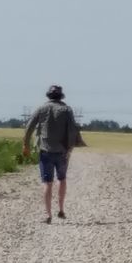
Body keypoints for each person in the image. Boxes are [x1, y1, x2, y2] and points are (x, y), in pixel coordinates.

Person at [22, 84, 82, 224]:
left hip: (45, 151)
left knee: (47, 183)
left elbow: (29, 126)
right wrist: (70, 149)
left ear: (48, 95)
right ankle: (61, 209)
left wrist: (25, 145)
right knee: (62, 179)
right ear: (61, 96)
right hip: (62, 152)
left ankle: (48, 214)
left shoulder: (42, 108)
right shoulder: (67, 109)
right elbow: (73, 130)